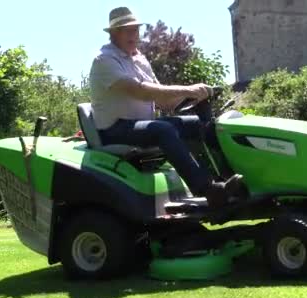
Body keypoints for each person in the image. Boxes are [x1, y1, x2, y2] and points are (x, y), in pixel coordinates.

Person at [89, 6, 242, 207]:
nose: (134, 35)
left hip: (141, 125)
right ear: (114, 33)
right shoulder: (104, 60)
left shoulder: (139, 59)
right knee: (163, 129)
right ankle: (208, 190)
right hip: (114, 130)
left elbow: (164, 100)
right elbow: (141, 91)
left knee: (204, 124)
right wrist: (187, 90)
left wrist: (197, 98)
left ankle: (231, 179)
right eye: (128, 30)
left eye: (136, 29)